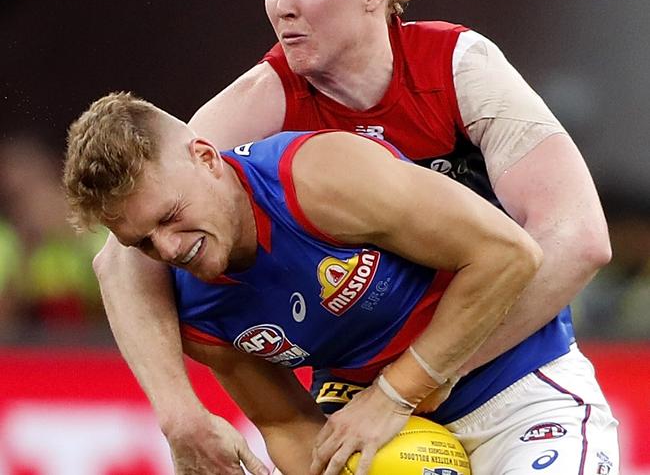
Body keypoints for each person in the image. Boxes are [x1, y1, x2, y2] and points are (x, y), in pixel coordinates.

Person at [90, 0, 614, 475]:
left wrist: (413, 382)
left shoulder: (458, 67)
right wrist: (180, 416)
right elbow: (125, 259)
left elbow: (578, 239)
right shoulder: (258, 103)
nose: (281, 5)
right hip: (362, 405)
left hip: (509, 381)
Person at [64, 92, 619, 475]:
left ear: (207, 158)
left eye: (169, 216)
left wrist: (397, 393)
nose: (167, 250)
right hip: (371, 431)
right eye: (141, 243)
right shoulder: (191, 308)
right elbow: (284, 419)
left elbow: (508, 255)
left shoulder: (319, 177)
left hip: (516, 389)